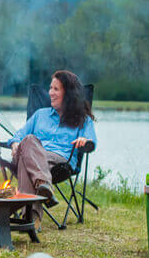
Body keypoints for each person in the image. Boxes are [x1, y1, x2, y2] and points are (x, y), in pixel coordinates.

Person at [9, 70, 96, 225]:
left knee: (24, 157)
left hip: (60, 162)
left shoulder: (83, 120)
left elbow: (91, 142)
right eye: (50, 88)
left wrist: (84, 140)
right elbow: (19, 135)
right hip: (36, 155)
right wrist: (15, 143)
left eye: (56, 89)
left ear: (68, 94)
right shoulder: (39, 115)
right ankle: (43, 186)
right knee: (28, 140)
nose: (50, 93)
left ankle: (32, 216)